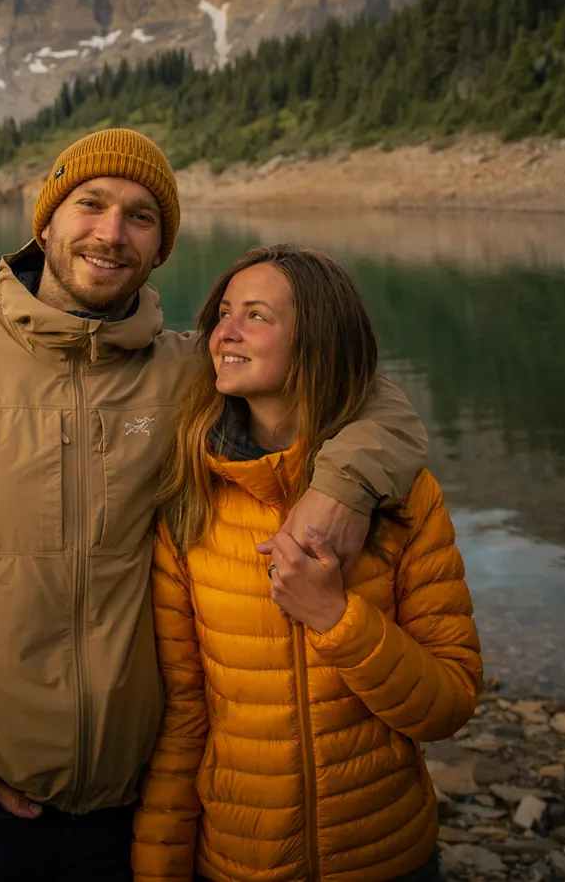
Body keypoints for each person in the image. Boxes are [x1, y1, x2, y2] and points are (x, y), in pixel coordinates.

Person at [0, 130, 430, 882]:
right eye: (90, 204)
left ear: (161, 246)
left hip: (134, 815)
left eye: (141, 216)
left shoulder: (190, 375)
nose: (111, 233)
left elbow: (368, 396)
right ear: (45, 223)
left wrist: (342, 488)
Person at [133, 244, 482, 882]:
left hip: (387, 858)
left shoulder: (405, 498)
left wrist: (336, 618)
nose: (224, 333)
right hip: (240, 862)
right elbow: (186, 719)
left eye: (257, 316)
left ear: (317, 341)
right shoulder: (189, 500)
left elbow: (449, 706)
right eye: (224, 313)